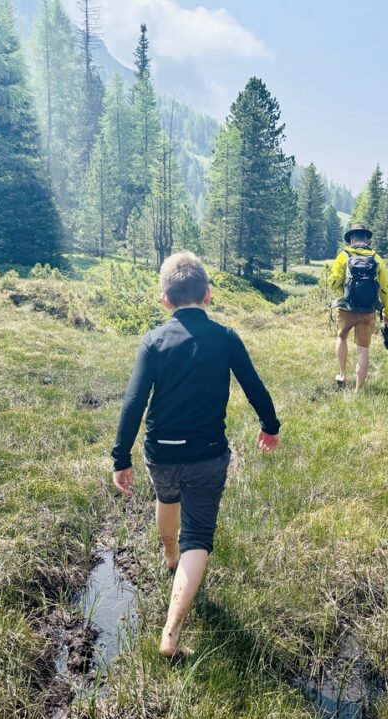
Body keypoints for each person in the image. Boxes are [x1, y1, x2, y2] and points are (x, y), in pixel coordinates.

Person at [111, 251, 281, 659]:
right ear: (208, 294)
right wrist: (269, 427)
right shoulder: (225, 338)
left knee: (166, 498)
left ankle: (172, 560)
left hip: (160, 452)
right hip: (208, 454)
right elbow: (254, 387)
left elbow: (133, 403)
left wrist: (121, 457)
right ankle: (170, 635)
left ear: (165, 300)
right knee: (199, 536)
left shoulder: (152, 341)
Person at [328, 223, 388, 392]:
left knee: (341, 338)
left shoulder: (343, 256)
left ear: (351, 239)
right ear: (366, 239)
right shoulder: (377, 258)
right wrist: (387, 312)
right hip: (368, 311)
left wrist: (344, 290)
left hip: (347, 309)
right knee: (363, 349)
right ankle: (358, 391)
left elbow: (333, 282)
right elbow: (386, 288)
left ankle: (343, 375)